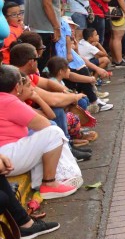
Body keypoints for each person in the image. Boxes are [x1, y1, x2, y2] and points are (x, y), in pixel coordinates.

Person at [0, 65, 76, 199]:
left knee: (43, 135)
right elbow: (45, 124)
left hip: (7, 155)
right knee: (54, 133)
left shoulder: (5, 99)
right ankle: (49, 184)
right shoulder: (9, 101)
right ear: (18, 87)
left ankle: (40, 182)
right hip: (7, 158)